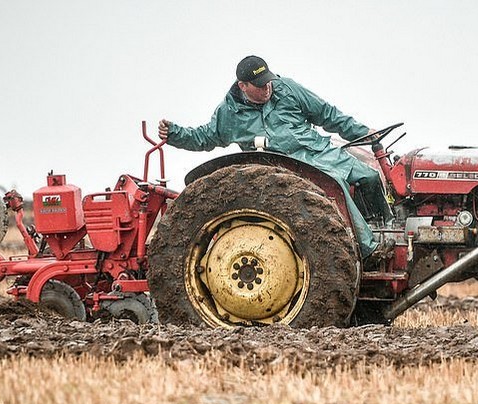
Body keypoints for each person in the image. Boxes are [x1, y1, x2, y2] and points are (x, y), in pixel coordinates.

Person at [159, 55, 391, 260]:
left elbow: (328, 114)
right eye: (259, 85)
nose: (267, 87)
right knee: (338, 186)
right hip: (288, 168)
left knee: (369, 176)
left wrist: (363, 133)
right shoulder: (229, 113)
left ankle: (386, 229)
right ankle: (367, 249)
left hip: (319, 151)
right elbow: (204, 138)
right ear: (243, 85)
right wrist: (174, 134)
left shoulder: (287, 88)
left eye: (268, 81)